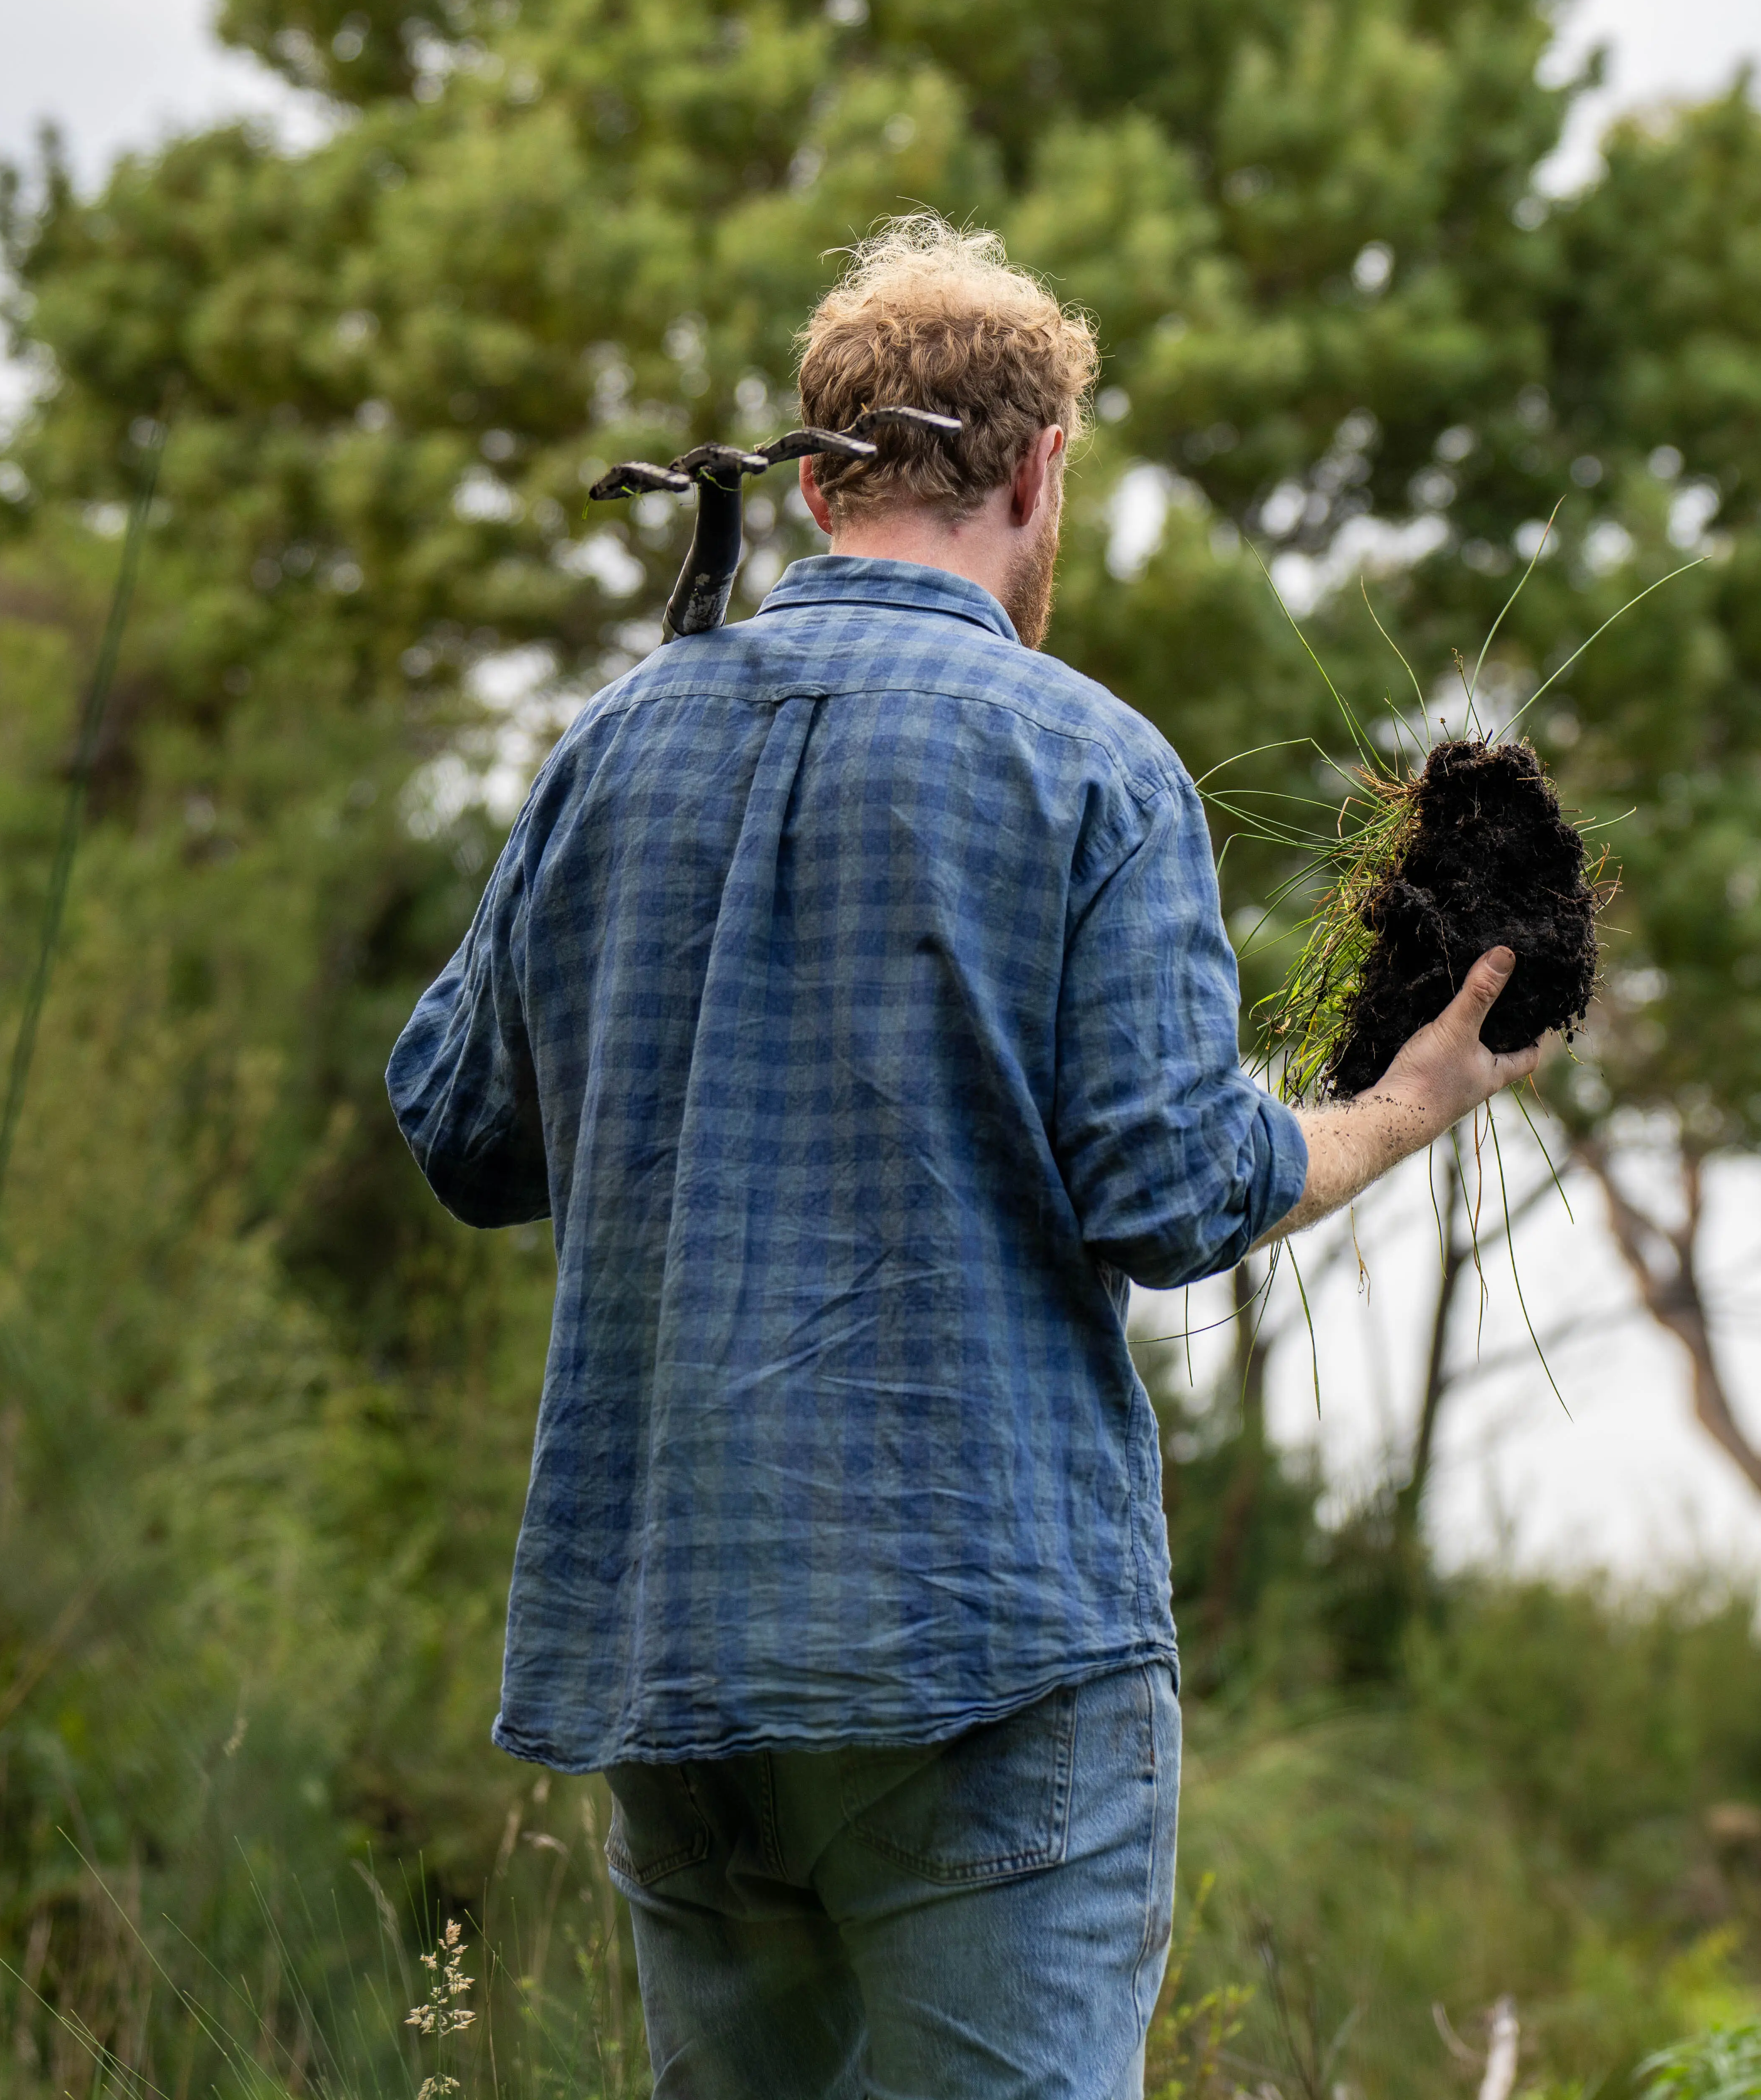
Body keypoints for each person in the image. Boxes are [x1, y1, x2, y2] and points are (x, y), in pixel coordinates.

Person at [387, 215, 1540, 2100]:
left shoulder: (615, 741)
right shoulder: (1090, 765)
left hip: (676, 1663)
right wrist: (1401, 1106)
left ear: (823, 475)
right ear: (1035, 466)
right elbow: (1173, 1193)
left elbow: (458, 1125)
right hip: (987, 1650)